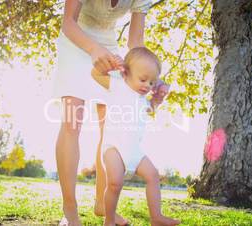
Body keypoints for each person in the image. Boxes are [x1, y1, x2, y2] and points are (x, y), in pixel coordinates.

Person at [52, 1, 168, 225]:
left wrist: (151, 78)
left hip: (108, 47)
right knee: (71, 123)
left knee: (110, 129)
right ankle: (70, 209)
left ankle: (102, 205)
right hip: (76, 40)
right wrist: (93, 49)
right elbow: (68, 22)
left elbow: (135, 44)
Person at [91, 47, 181, 226]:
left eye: (151, 83)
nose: (147, 86)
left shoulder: (142, 100)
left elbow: (150, 110)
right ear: (125, 72)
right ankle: (109, 221)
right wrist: (108, 66)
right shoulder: (117, 86)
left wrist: (156, 100)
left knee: (153, 176)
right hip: (113, 148)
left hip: (134, 151)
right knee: (115, 183)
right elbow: (95, 74)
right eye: (143, 79)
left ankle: (156, 217)